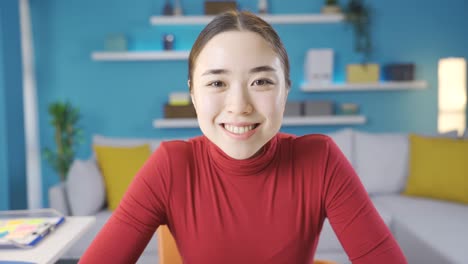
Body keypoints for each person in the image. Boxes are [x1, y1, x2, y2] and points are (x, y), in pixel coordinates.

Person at [80, 10, 407, 263]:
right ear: (193, 94)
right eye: (217, 83)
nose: (239, 107)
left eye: (261, 82)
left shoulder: (320, 160)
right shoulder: (170, 165)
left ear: (286, 90)